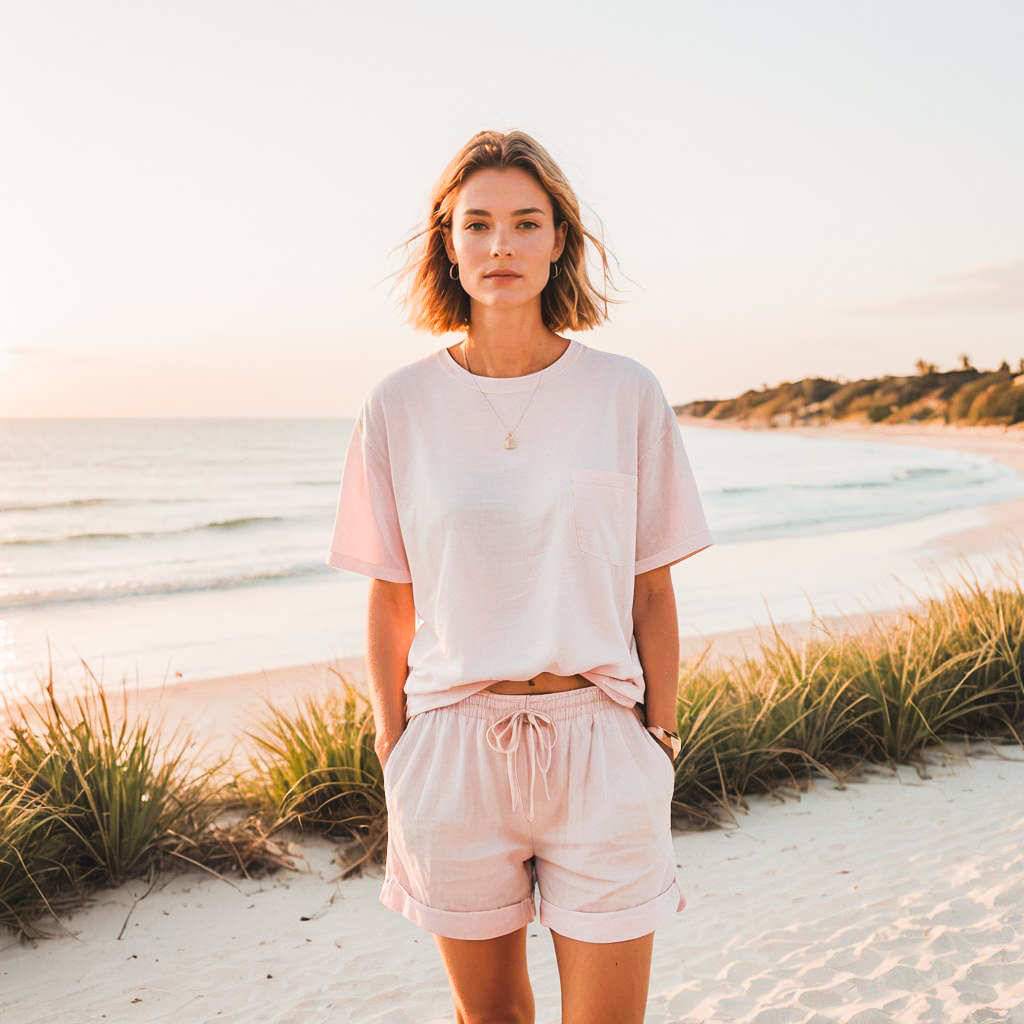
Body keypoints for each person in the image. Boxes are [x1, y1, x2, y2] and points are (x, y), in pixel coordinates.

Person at [326, 129, 714, 1024]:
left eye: (526, 223)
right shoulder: (398, 405)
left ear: (559, 242)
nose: (501, 246)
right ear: (448, 242)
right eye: (479, 224)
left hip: (600, 742)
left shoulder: (625, 393)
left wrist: (658, 737)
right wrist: (396, 745)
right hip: (454, 748)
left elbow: (651, 586)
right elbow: (391, 593)